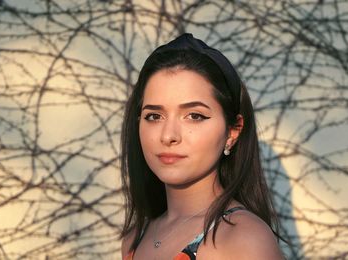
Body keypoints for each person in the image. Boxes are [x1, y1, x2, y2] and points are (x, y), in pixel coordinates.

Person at [120, 33, 284, 260]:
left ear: (232, 131)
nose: (168, 136)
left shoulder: (242, 240)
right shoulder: (134, 239)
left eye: (194, 116)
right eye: (154, 116)